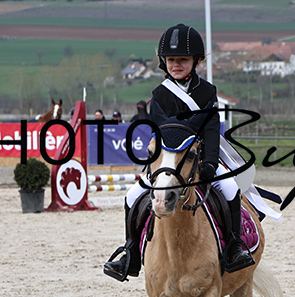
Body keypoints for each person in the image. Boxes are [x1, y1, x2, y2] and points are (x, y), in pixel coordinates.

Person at [104, 23, 255, 281]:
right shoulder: (159, 95)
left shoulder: (207, 92)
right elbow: (165, 131)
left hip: (199, 158)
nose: (176, 65)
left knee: (230, 189)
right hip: (166, 161)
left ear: (196, 61)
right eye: (171, 60)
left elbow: (211, 130)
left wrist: (209, 163)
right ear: (164, 62)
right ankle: (131, 253)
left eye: (183, 60)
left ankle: (233, 247)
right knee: (132, 196)